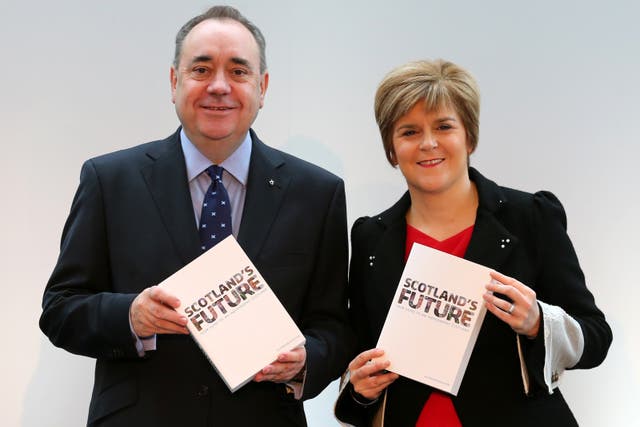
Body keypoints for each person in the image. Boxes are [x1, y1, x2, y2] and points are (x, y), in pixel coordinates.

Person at [39, 5, 352, 426]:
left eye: (238, 72)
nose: (219, 86)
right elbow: (60, 309)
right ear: (174, 82)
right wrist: (130, 316)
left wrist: (304, 361)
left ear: (263, 87)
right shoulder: (109, 180)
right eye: (201, 69)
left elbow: (333, 325)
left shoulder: (317, 194)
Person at [334, 59, 612, 426]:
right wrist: (358, 386)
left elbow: (595, 337)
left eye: (444, 126)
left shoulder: (530, 217)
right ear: (391, 148)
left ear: (470, 136)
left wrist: (537, 321)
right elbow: (358, 351)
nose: (428, 143)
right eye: (409, 132)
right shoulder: (370, 237)